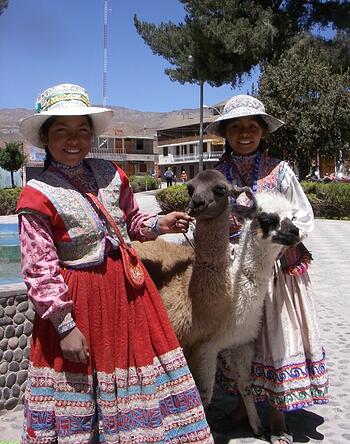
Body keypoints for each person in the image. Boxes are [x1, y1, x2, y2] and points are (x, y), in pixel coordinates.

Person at [17, 84, 214, 443]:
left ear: (92, 135)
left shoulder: (111, 174)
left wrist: (159, 224)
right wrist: (64, 326)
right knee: (81, 385)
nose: (74, 140)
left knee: (140, 378)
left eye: (82, 130)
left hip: (129, 296)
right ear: (45, 136)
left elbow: (130, 222)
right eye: (62, 131)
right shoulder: (38, 194)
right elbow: (39, 267)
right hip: (80, 304)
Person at [206, 95, 329, 444]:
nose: (245, 134)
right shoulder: (218, 174)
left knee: (274, 336)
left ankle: (277, 412)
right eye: (236, 128)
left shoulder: (280, 171)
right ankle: (246, 406)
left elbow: (303, 216)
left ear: (262, 132)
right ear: (226, 133)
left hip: (275, 271)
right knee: (238, 338)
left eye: (252, 127)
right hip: (235, 270)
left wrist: (280, 242)